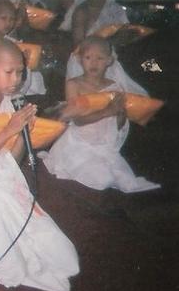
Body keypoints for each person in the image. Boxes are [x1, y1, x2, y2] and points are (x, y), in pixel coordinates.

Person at [0, 39, 79, 291]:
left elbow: (12, 158)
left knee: (66, 258)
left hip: (6, 179)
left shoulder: (10, 102)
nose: (16, 80)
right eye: (9, 72)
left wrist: (23, 134)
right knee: (11, 267)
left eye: (20, 72)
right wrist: (7, 130)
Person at [41, 36, 160, 193]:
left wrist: (120, 114)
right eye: (88, 58)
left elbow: (119, 123)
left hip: (104, 145)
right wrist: (107, 111)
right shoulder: (74, 84)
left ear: (109, 61)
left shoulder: (114, 86)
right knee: (102, 180)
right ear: (79, 59)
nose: (94, 63)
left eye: (100, 58)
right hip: (80, 144)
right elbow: (78, 120)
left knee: (125, 181)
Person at [63, 0, 147, 96]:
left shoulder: (116, 9)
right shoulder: (82, 11)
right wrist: (111, 41)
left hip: (108, 63)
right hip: (85, 66)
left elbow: (126, 35)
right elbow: (78, 46)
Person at [0, 0, 46, 96]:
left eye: (12, 19)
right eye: (3, 18)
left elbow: (20, 84)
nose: (8, 23)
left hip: (9, 95)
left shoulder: (13, 44)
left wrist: (24, 64)